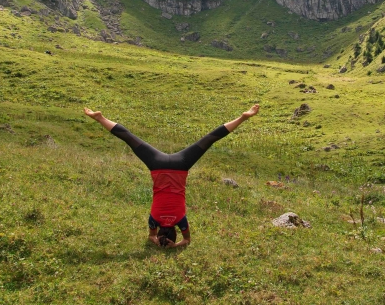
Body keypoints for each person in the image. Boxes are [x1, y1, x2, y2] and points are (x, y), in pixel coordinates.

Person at [84, 104, 260, 248]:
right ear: (161, 231)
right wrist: (156, 239)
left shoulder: (180, 220)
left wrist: (176, 245)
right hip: (157, 164)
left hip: (181, 165)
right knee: (130, 139)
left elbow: (187, 240)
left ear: (176, 232)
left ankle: (243, 117)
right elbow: (151, 235)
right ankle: (100, 118)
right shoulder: (154, 219)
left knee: (209, 140)